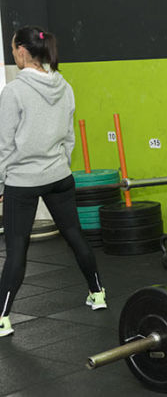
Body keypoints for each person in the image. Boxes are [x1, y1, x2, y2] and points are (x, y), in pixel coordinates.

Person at [0, 26, 107, 337]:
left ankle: (3, 317)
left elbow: (4, 145)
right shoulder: (65, 86)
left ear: (21, 51)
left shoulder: (14, 92)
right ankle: (97, 293)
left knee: (17, 249)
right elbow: (69, 138)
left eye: (13, 50)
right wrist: (59, 164)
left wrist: (2, 183)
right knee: (75, 236)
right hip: (60, 176)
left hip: (23, 180)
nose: (13, 55)